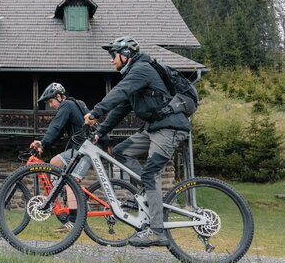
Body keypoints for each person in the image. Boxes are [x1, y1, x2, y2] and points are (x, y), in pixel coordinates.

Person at [84, 37, 191, 247]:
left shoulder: (141, 69)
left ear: (126, 55)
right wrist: (100, 132)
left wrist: (96, 112)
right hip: (154, 128)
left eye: (113, 55)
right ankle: (148, 191)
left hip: (169, 128)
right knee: (121, 151)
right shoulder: (135, 76)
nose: (111, 60)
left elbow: (119, 92)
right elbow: (120, 109)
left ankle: (157, 231)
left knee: (150, 174)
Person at [30, 82, 90, 230]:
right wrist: (43, 144)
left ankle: (73, 223)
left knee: (71, 183)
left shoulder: (67, 105)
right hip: (78, 150)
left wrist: (43, 143)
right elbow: (58, 132)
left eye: (51, 101)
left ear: (59, 96)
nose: (50, 105)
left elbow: (56, 126)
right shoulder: (70, 106)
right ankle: (66, 192)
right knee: (55, 162)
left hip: (88, 150)